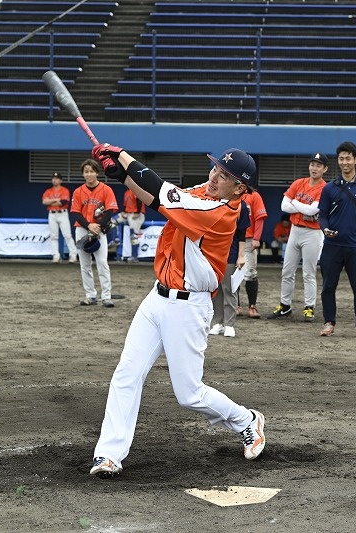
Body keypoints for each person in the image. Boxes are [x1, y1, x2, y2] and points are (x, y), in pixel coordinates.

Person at [86, 143, 265, 478]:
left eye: (224, 175)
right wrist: (123, 176)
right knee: (127, 373)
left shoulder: (220, 211)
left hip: (189, 307)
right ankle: (109, 455)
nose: (214, 177)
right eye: (215, 168)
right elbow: (155, 198)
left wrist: (122, 156)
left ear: (240, 188)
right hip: (157, 297)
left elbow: (158, 191)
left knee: (189, 394)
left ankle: (246, 419)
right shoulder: (202, 192)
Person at [317, 141, 356, 338]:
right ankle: (329, 322)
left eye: (348, 158)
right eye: (341, 159)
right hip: (332, 245)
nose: (344, 162)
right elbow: (322, 215)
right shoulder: (329, 188)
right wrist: (325, 229)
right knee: (328, 287)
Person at [268, 152, 328, 322]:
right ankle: (285, 306)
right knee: (287, 270)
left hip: (312, 233)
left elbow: (312, 210)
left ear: (325, 169)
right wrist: (303, 208)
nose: (314, 168)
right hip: (295, 230)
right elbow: (283, 206)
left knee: (309, 272)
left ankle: (309, 307)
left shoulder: (324, 188)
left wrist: (294, 202)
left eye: (318, 165)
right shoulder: (298, 183)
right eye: (312, 164)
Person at [70, 158, 118, 307]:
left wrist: (98, 227)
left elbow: (110, 211)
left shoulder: (106, 189)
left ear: (97, 173)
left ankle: (106, 297)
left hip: (99, 230)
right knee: (85, 265)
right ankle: (90, 296)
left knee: (102, 263)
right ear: (83, 174)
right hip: (82, 229)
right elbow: (76, 212)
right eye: (86, 172)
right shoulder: (78, 191)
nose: (89, 174)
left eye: (91, 171)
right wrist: (89, 225)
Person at [209, 201, 249, 338]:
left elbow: (242, 234)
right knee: (215, 290)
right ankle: (218, 323)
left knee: (229, 289)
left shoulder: (241, 206)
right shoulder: (212, 201)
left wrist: (241, 255)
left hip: (231, 253)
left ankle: (229, 324)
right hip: (213, 253)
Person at [238, 189, 267, 318]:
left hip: (248, 239)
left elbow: (259, 218)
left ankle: (252, 306)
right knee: (232, 273)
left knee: (250, 273)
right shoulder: (228, 192)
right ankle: (235, 305)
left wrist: (256, 238)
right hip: (231, 239)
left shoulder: (253, 195)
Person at [41, 172, 77, 264]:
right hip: (52, 214)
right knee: (54, 236)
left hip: (62, 214)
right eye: (53, 178)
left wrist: (50, 202)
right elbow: (44, 202)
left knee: (67, 235)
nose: (54, 180)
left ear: (61, 180)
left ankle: (73, 255)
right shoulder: (48, 191)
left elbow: (63, 202)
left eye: (57, 178)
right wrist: (55, 200)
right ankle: (56, 256)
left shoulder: (64, 190)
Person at [116, 188, 146, 262]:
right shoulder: (127, 192)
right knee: (113, 220)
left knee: (134, 235)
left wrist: (138, 213)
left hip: (137, 215)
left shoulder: (136, 189)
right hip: (128, 214)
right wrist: (123, 212)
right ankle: (115, 240)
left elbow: (139, 201)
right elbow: (125, 205)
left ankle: (134, 256)